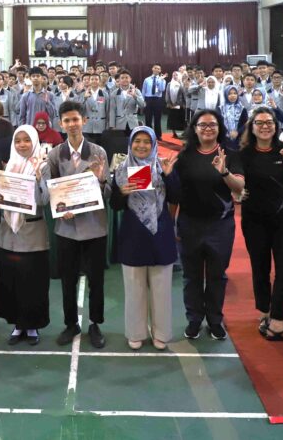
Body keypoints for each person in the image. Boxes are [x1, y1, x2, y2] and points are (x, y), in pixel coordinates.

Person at [171, 108, 244, 341]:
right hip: (189, 225)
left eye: (212, 124)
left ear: (219, 128)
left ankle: (214, 320)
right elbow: (174, 194)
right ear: (194, 129)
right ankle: (194, 319)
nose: (207, 129)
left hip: (220, 227)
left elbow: (239, 187)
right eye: (202, 125)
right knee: (191, 276)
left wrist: (224, 172)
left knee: (216, 275)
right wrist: (173, 224)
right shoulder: (184, 157)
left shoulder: (230, 154)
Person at [239, 106, 283, 342]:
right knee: (261, 268)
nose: (265, 126)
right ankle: (265, 313)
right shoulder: (244, 154)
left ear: (276, 127)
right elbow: (236, 182)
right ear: (252, 127)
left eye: (269, 122)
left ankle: (277, 321)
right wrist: (237, 191)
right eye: (260, 123)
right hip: (255, 221)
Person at [47, 100, 110, 348]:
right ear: (60, 124)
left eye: (76, 119)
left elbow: (107, 193)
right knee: (68, 279)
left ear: (85, 121)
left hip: (94, 226)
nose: (72, 124)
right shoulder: (55, 154)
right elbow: (51, 191)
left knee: (96, 280)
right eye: (67, 120)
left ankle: (95, 324)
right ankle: (70, 323)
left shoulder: (98, 152)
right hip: (67, 229)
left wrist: (101, 181)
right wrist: (60, 209)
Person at [111, 127, 179, 350]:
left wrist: (169, 176)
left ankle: (161, 333)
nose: (141, 145)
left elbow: (177, 197)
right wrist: (122, 193)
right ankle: (136, 332)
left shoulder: (162, 166)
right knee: (134, 288)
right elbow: (115, 205)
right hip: (133, 235)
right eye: (137, 141)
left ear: (153, 144)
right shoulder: (121, 170)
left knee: (161, 289)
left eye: (146, 141)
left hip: (161, 234)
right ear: (130, 144)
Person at [0, 125, 51, 345]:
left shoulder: (43, 166)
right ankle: (18, 325)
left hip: (32, 234)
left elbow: (44, 200)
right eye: (18, 141)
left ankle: (32, 326)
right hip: (9, 233)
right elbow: (2, 201)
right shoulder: (9, 166)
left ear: (34, 142)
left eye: (27, 140)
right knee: (12, 281)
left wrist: (38, 178)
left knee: (33, 282)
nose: (22, 144)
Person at [82, 72, 110, 145]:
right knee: (88, 146)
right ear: (89, 81)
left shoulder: (105, 94)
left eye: (96, 79)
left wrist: (108, 125)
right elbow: (79, 109)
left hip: (100, 125)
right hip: (87, 126)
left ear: (99, 81)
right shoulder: (83, 94)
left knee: (100, 146)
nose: (94, 81)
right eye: (92, 79)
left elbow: (107, 110)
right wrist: (84, 98)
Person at [141, 64, 167, 139]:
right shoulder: (147, 79)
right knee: (148, 117)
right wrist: (142, 101)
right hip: (148, 99)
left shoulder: (163, 80)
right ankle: (148, 134)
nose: (157, 70)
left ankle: (158, 135)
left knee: (157, 118)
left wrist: (161, 80)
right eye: (155, 68)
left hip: (158, 99)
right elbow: (143, 90)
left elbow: (162, 89)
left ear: (160, 70)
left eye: (158, 69)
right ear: (152, 69)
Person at [220, 86, 247, 150]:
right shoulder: (220, 108)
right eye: (229, 93)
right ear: (225, 95)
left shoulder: (242, 109)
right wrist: (227, 132)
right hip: (223, 139)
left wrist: (237, 132)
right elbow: (218, 123)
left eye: (235, 93)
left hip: (238, 139)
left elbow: (245, 124)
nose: (233, 95)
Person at [166, 71, 187, 137]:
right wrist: (168, 102)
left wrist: (185, 103)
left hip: (180, 105)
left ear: (179, 76)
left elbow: (184, 94)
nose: (175, 76)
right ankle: (174, 133)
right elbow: (167, 94)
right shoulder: (169, 84)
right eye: (173, 75)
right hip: (172, 105)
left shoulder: (182, 84)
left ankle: (184, 133)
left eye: (176, 75)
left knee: (182, 119)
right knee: (172, 119)